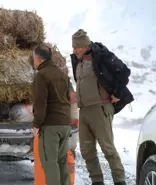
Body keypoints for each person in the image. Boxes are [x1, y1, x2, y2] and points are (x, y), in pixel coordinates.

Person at [70, 29, 134, 185]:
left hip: (100, 109)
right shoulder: (77, 60)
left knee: (108, 149)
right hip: (84, 111)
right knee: (86, 151)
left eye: (76, 47)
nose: (74, 50)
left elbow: (124, 72)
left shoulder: (102, 56)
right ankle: (97, 182)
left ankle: (120, 182)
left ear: (85, 45)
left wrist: (117, 93)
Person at [32, 43, 72, 185]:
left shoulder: (41, 76)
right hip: (65, 124)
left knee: (50, 163)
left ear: (38, 59)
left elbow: (40, 103)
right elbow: (68, 99)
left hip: (50, 126)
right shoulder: (62, 74)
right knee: (62, 162)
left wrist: (37, 124)